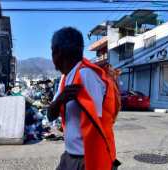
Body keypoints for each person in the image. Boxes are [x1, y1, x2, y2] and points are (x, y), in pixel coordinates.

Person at [48, 27, 120, 170]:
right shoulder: (65, 78)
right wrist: (59, 100)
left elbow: (96, 127)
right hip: (70, 156)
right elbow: (50, 115)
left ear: (58, 52)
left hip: (88, 159)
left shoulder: (86, 75)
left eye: (52, 51)